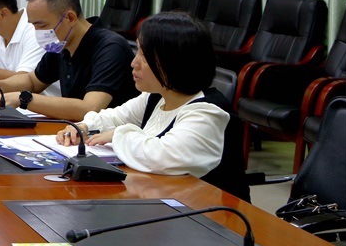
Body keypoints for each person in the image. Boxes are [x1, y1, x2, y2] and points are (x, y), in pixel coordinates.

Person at [55, 12, 249, 199]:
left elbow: (163, 156)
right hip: (164, 199)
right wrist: (84, 127)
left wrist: (118, 134)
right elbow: (116, 117)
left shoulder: (207, 112)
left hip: (212, 215)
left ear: (174, 62)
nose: (134, 63)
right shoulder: (157, 96)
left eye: (145, 56)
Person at [0, 0, 138, 121]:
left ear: (70, 18)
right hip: (74, 133)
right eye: (33, 26)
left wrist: (23, 99)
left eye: (42, 25)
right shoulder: (61, 45)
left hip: (112, 140)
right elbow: (32, 81)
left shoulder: (110, 48)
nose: (37, 33)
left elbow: (90, 109)